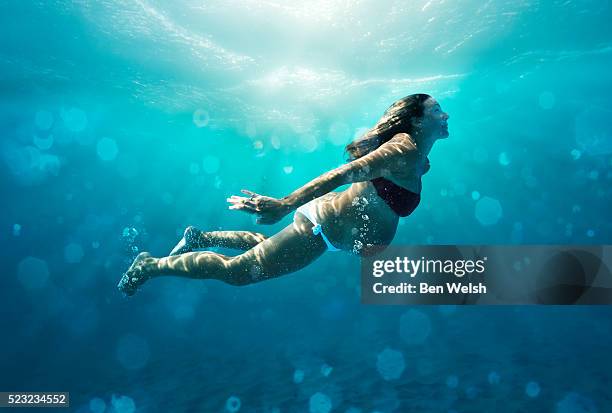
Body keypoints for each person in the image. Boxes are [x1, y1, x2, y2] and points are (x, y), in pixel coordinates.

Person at [117, 94, 449, 295]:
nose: (445, 115)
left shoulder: (422, 161)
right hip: (321, 228)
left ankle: (201, 237)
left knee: (267, 249)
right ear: (417, 120)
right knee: (239, 273)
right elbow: (343, 174)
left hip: (330, 237)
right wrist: (285, 204)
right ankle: (149, 265)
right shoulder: (403, 149)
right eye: (437, 111)